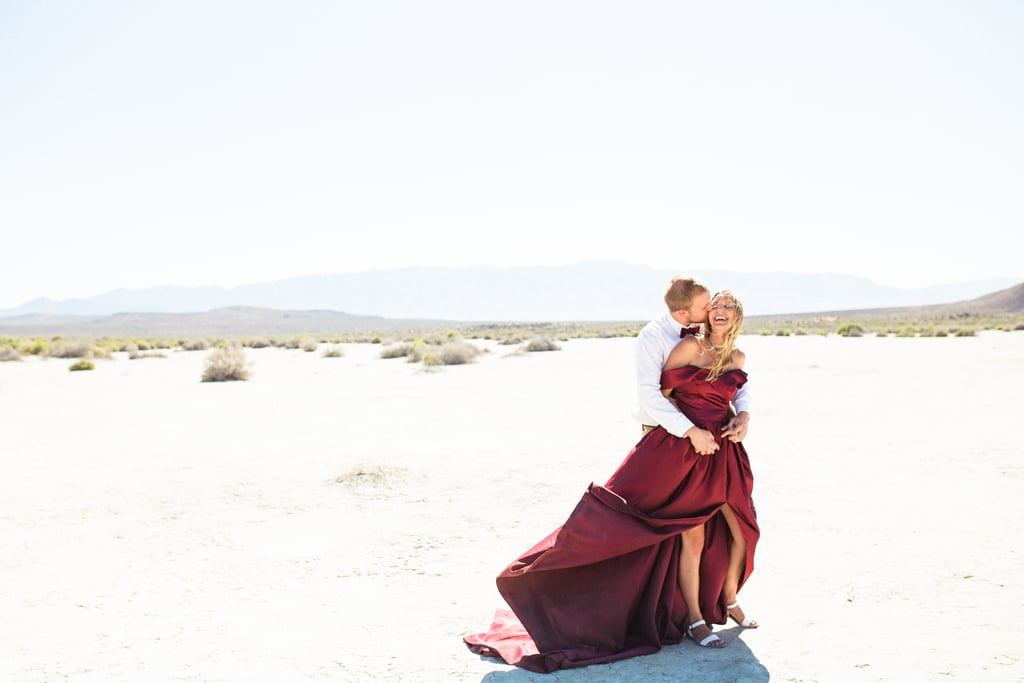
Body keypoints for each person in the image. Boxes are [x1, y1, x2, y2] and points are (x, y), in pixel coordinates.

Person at [464, 290, 760, 672]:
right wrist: (687, 433)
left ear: (737, 316)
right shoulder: (687, 347)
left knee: (743, 531)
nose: (719, 311)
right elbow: (662, 396)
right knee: (693, 536)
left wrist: (743, 416)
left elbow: (739, 390)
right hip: (686, 451)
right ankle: (695, 620)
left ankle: (729, 598)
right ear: (705, 314)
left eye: (727, 307)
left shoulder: (738, 357)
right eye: (714, 306)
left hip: (725, 453)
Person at [634, 276, 750, 454]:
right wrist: (691, 431)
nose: (713, 308)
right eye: (707, 307)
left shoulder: (709, 328)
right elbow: (650, 395)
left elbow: (736, 382)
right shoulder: (652, 337)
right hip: (662, 429)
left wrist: (743, 413)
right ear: (683, 313)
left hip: (711, 435)